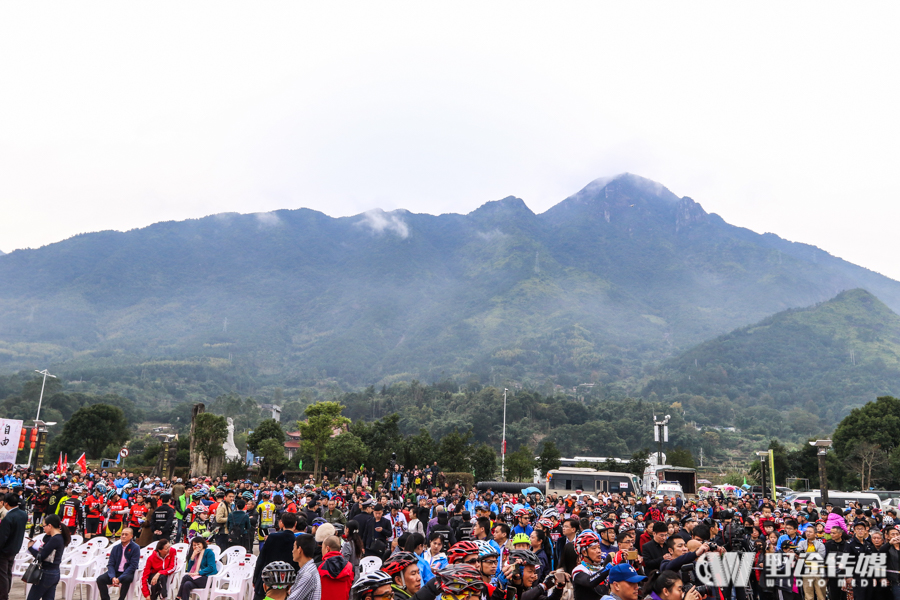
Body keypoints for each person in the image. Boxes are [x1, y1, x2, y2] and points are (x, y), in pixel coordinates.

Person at [255, 513, 301, 600]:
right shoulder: (296, 541)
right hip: (286, 582)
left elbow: (261, 559)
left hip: (267, 578)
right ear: (295, 524)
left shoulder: (272, 537)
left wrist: (255, 579)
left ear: (281, 523)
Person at [26, 514, 71, 600]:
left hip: (46, 573)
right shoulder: (58, 537)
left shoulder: (55, 539)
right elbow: (45, 540)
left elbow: (41, 556)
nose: (44, 529)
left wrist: (30, 548)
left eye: (44, 526)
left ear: (50, 525)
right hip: (54, 573)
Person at [97, 527, 141, 600]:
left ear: (131, 536)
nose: (123, 536)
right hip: (116, 572)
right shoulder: (116, 548)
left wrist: (120, 578)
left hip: (127, 573)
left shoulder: (135, 548)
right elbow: (110, 564)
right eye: (122, 534)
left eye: (126, 534)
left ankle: (121, 599)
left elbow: (133, 565)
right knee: (100, 579)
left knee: (126, 580)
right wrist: (113, 577)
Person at [0, 492, 27, 600]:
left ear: (6, 503)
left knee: (2, 576)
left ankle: (3, 596)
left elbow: (3, 537)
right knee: (7, 573)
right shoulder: (23, 514)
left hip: (4, 550)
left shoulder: (8, 517)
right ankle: (6, 593)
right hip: (15, 548)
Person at [286, 534, 321, 600]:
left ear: (299, 550)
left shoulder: (308, 574)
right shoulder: (309, 569)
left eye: (294, 547)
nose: (292, 551)